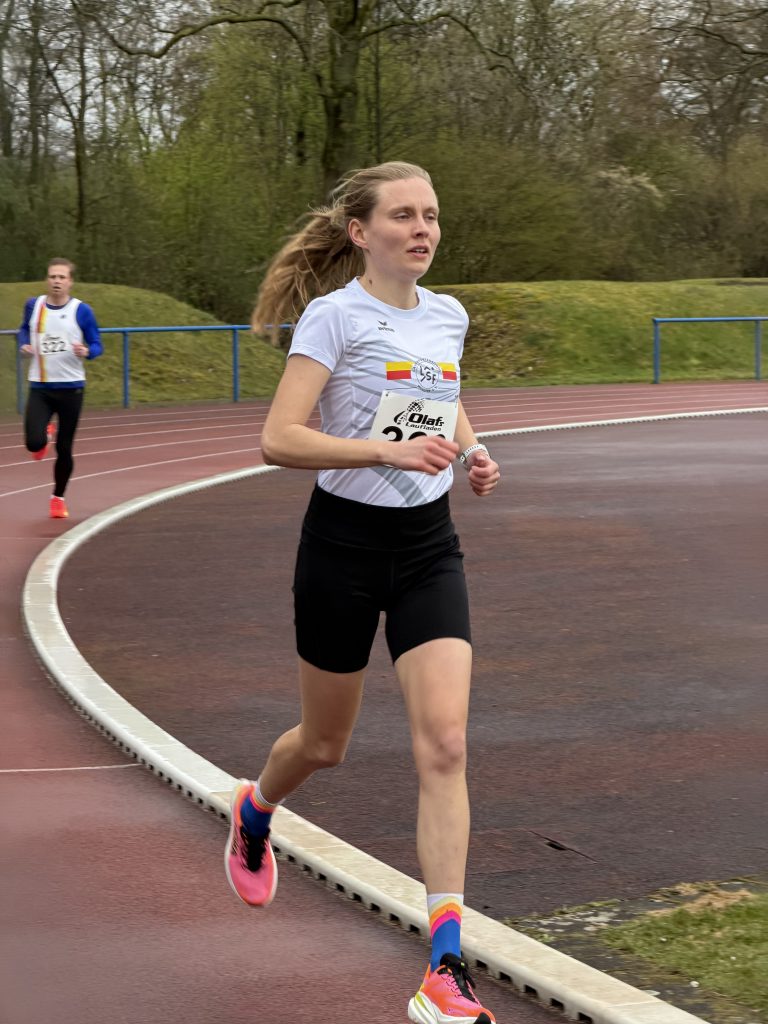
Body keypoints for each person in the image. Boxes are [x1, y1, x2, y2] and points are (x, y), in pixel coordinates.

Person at [225, 162, 501, 1024]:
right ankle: (256, 807)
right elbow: (279, 438)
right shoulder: (334, 316)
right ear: (360, 232)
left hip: (427, 546)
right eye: (404, 216)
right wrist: (383, 453)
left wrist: (474, 448)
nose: (423, 229)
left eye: (432, 215)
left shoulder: (448, 315)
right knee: (324, 744)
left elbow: (439, 398)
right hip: (342, 549)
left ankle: (444, 969)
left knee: (446, 743)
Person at [18, 258, 103, 519]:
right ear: (47, 279)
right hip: (41, 386)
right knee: (34, 444)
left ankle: (58, 497)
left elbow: (97, 344)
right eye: (53, 276)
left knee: (64, 449)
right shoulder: (34, 306)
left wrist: (87, 351)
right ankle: (43, 433)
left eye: (62, 277)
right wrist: (24, 344)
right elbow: (24, 329)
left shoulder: (81, 311)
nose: (57, 281)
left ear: (70, 282)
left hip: (71, 389)